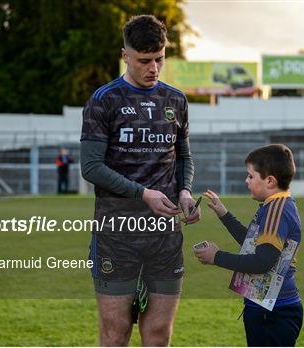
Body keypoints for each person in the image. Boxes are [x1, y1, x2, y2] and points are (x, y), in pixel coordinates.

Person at [79, 15, 200, 346]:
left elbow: (184, 157)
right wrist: (143, 193)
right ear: (125, 55)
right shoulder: (104, 100)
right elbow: (90, 167)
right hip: (116, 235)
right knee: (116, 334)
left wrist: (185, 192)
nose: (154, 68)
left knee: (159, 334)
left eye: (159, 59)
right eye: (145, 60)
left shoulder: (176, 101)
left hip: (164, 236)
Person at [195, 144, 303, 347]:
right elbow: (253, 244)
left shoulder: (276, 211)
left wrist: (217, 257)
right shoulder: (276, 206)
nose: (246, 181)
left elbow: (262, 262)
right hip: (268, 307)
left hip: (273, 311)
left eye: (251, 176)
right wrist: (224, 215)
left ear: (270, 181)